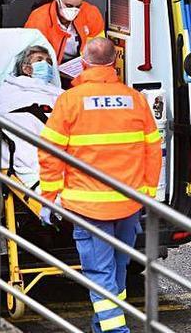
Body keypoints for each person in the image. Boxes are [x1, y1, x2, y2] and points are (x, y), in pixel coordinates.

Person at [37, 38, 161, 333]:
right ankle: (101, 326)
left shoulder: (70, 101)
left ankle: (116, 331)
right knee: (117, 271)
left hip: (89, 206)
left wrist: (49, 197)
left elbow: (50, 152)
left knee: (100, 275)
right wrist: (147, 193)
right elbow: (153, 150)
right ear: (115, 64)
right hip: (128, 204)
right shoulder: (135, 99)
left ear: (82, 64)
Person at [0, 46, 63, 190]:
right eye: (40, 60)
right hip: (30, 145)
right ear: (26, 68)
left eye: (49, 61)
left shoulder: (59, 94)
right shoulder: (12, 89)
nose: (47, 65)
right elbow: (0, 111)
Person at [24, 0, 105, 65]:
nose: (73, 10)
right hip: (52, 67)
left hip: (82, 66)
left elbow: (99, 51)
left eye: (78, 6)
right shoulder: (38, 19)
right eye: (69, 6)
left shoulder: (91, 13)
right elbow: (32, 57)